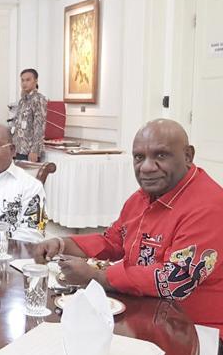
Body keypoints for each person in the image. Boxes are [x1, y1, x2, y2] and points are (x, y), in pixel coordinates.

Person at [33, 119, 223, 338]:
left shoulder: (209, 206)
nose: (147, 167)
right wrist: (62, 243)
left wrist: (99, 276)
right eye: (139, 157)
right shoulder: (142, 197)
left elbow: (175, 280)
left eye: (161, 155)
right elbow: (114, 241)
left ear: (188, 156)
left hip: (197, 333)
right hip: (146, 314)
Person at [12, 68, 47, 162]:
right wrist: (14, 147)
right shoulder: (22, 101)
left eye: (28, 80)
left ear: (35, 81)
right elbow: (17, 125)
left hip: (30, 151)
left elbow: (39, 126)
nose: (24, 83)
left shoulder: (38, 99)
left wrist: (34, 150)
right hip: (19, 150)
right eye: (22, 80)